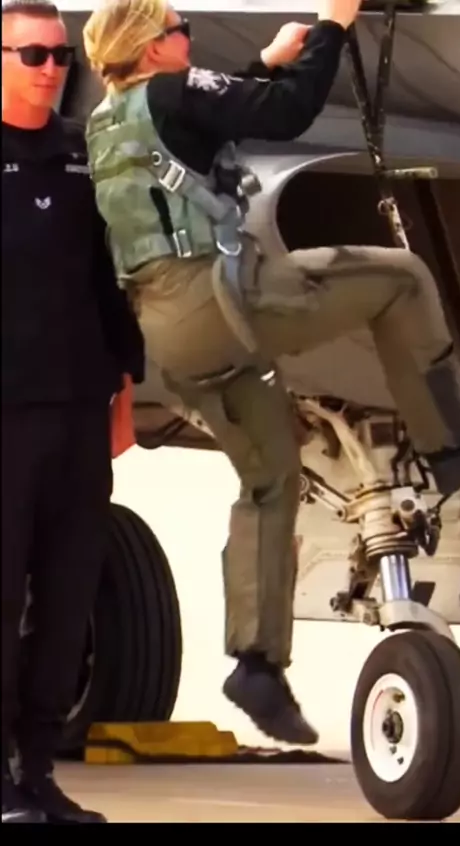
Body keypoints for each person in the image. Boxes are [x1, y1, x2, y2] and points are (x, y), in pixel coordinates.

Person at [82, 0, 460, 747]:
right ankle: (454, 450)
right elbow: (289, 114)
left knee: (269, 481)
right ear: (150, 47)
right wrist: (333, 25)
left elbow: (202, 120)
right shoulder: (171, 93)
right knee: (402, 279)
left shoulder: (111, 119)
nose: (187, 38)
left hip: (171, 334)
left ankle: (257, 666)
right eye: (178, 31)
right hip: (226, 302)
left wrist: (263, 62)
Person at [2, 0, 145, 824]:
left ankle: (37, 774)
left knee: (64, 604)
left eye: (62, 57)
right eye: (33, 55)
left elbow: (106, 284)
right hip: (5, 418)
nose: (52, 70)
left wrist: (126, 389)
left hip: (78, 417)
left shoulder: (82, 154)